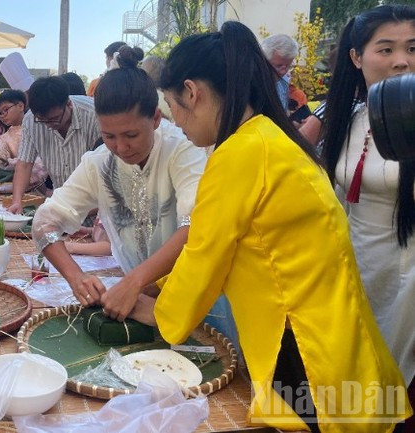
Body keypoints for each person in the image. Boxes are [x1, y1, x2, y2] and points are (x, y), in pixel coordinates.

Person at [139, 20, 411, 433]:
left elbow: (204, 257)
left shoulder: (239, 154)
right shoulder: (273, 136)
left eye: (171, 105)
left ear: (192, 92)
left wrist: (158, 314)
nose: (174, 119)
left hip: (302, 347)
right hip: (338, 336)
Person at [32, 46, 206, 317]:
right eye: (109, 136)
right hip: (135, 301)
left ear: (156, 119)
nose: (121, 147)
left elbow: (197, 221)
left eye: (131, 135)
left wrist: (135, 281)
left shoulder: (182, 150)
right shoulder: (98, 162)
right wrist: (76, 278)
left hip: (195, 298)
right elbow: (44, 223)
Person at [321, 5, 415, 428]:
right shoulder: (345, 117)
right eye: (387, 48)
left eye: (413, 48)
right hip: (355, 268)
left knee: (396, 378)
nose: (402, 60)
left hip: (408, 275)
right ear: (357, 58)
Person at [7, 77, 101, 214]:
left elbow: (106, 170)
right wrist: (16, 201)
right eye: (42, 120)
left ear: (68, 104)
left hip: (96, 208)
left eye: (54, 119)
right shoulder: (31, 120)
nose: (49, 125)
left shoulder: (93, 115)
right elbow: (24, 164)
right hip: (61, 208)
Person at [261, 33, 299, 110]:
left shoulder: (284, 81)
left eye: (288, 66)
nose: (283, 72)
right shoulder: (252, 85)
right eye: (278, 66)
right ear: (264, 61)